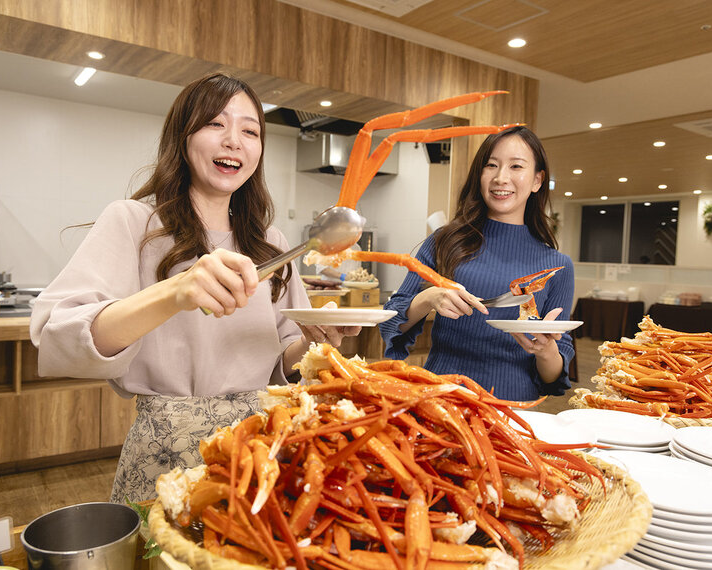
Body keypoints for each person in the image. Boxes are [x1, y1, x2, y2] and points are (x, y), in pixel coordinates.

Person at [30, 73, 360, 503]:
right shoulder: (133, 223)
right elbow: (59, 336)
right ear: (182, 137)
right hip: (165, 457)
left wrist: (319, 340)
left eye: (250, 130)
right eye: (215, 124)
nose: (234, 141)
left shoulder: (272, 243)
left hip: (258, 447)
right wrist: (175, 292)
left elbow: (285, 354)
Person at [379, 126, 574, 401]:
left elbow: (554, 377)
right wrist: (429, 298)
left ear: (537, 180)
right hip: (441, 402)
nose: (500, 178)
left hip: (513, 410)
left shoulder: (557, 266)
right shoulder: (444, 242)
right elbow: (390, 323)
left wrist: (547, 351)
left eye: (516, 166)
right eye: (491, 165)